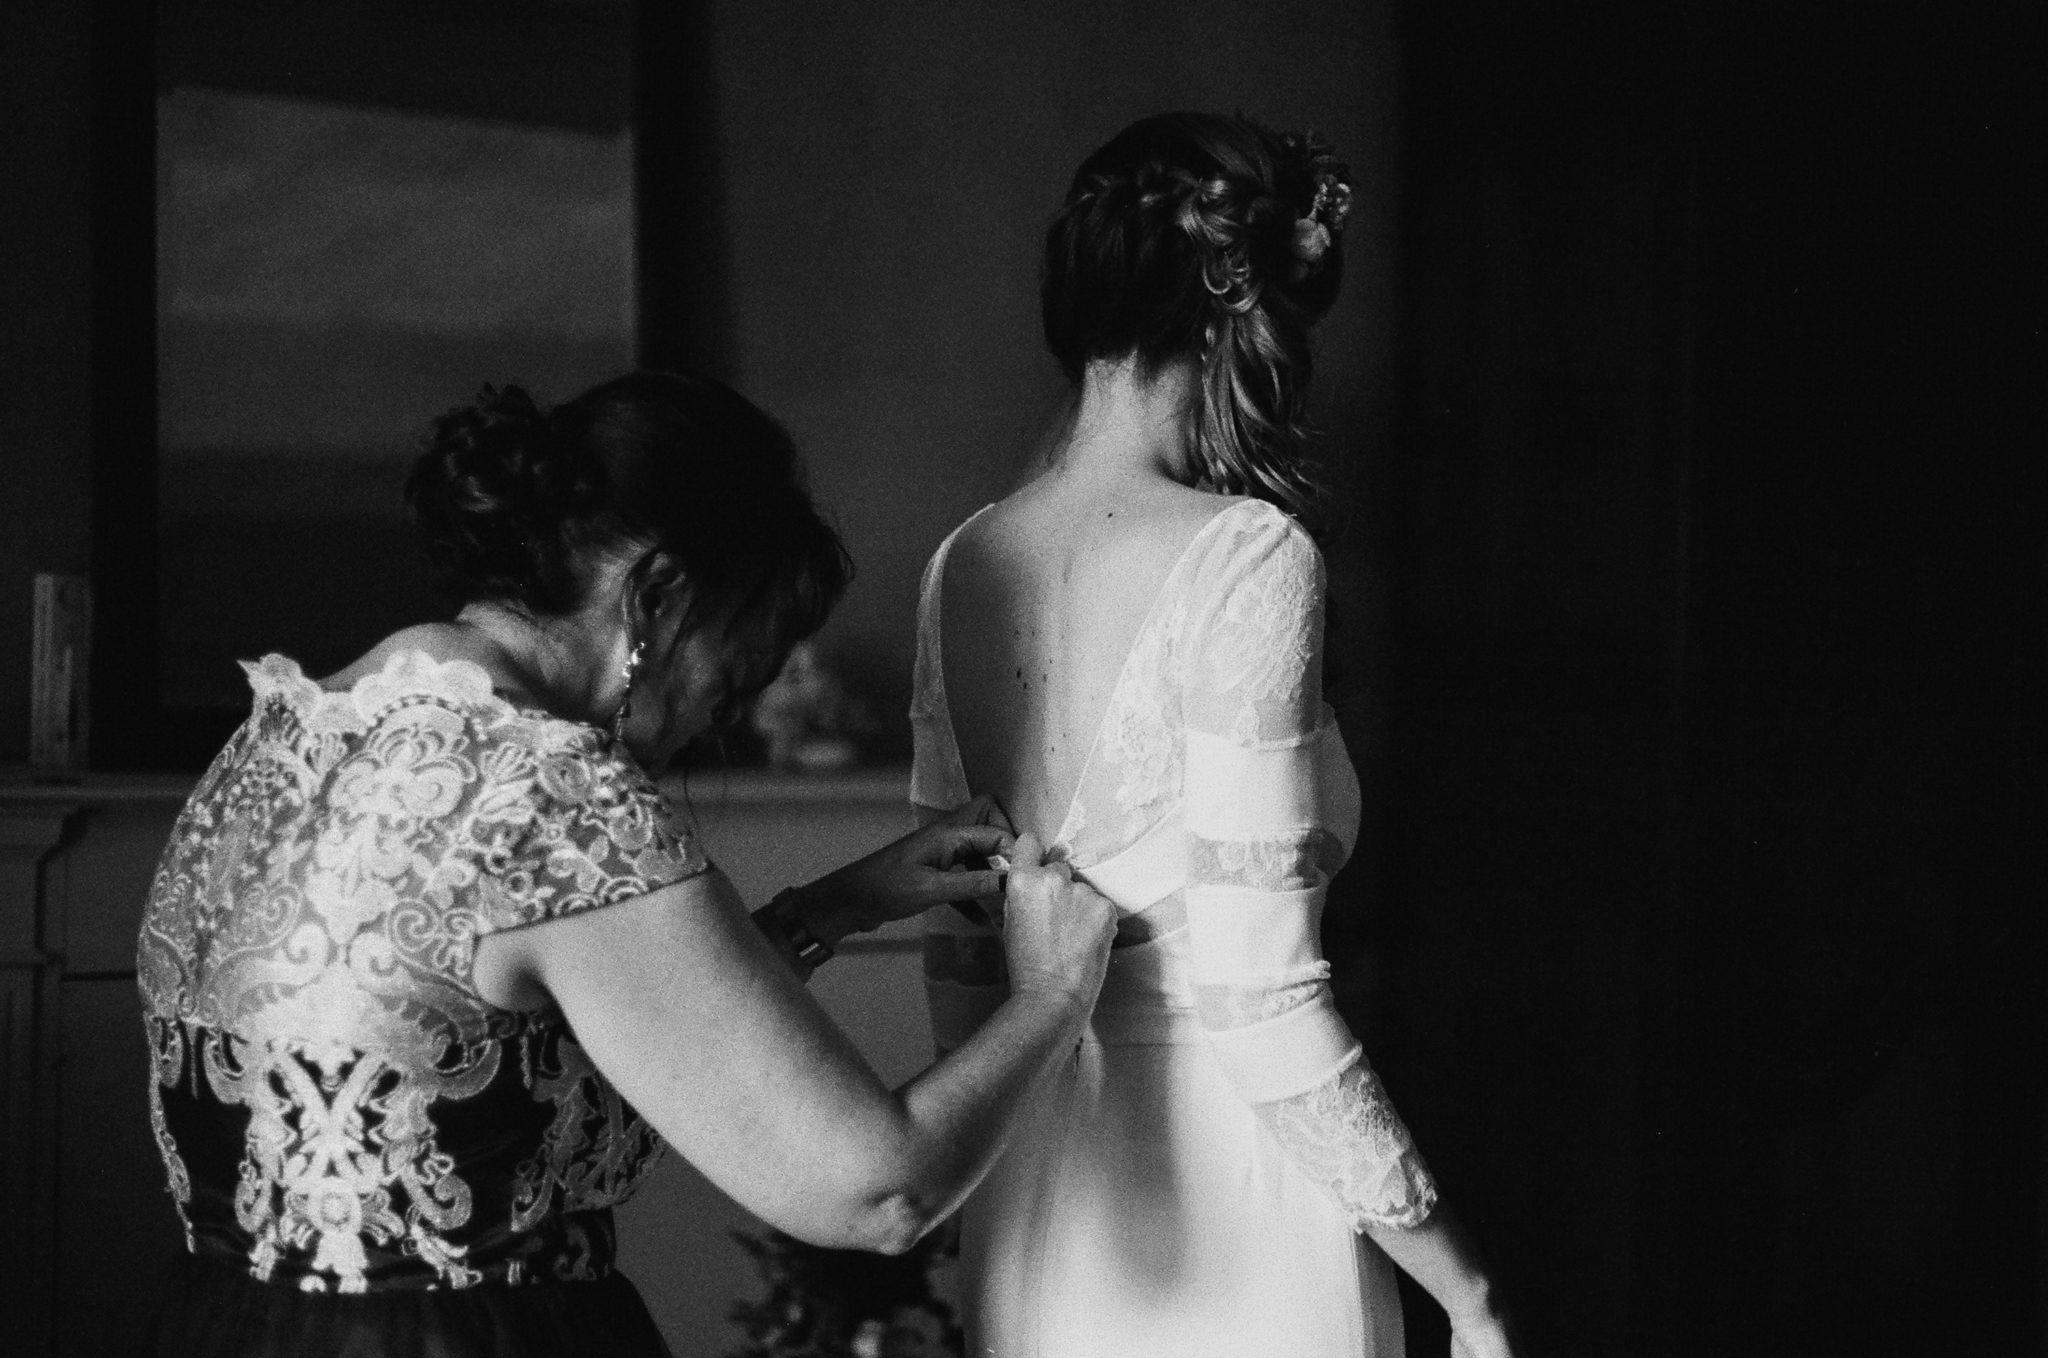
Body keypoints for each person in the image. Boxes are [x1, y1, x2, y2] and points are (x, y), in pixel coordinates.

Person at [136, 372, 1118, 1358]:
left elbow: (527, 1047)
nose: (704, 727)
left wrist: (844, 901)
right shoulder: (553, 791)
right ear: (654, 593)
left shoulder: (286, 733)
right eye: (727, 678)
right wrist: (1053, 986)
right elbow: (877, 1189)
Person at [911, 113, 1521, 1357]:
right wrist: (1466, 1288)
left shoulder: (958, 562)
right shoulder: (1243, 556)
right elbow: (1257, 1001)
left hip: (1035, 1212)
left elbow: (961, 960)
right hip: (1233, 1214)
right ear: (1240, 314)